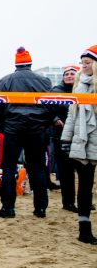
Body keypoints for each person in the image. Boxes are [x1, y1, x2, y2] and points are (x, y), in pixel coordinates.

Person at [0, 47, 52, 219]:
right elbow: (50, 105)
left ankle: (8, 208)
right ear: (30, 63)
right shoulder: (44, 81)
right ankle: (40, 208)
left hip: (13, 127)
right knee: (38, 167)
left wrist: (2, 122)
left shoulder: (6, 80)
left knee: (9, 168)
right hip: (36, 128)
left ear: (16, 64)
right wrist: (43, 123)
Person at [61, 45, 97, 244]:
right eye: (82, 63)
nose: (84, 67)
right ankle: (84, 229)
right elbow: (71, 115)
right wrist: (66, 139)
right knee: (85, 184)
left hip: (93, 135)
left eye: (88, 63)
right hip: (83, 140)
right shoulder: (79, 84)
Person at [52, 64, 80, 212]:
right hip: (61, 136)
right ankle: (68, 203)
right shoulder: (56, 92)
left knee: (83, 171)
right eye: (66, 74)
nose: (69, 76)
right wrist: (54, 118)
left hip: (81, 136)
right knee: (66, 171)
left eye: (72, 73)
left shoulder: (84, 90)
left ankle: (83, 201)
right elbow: (47, 109)